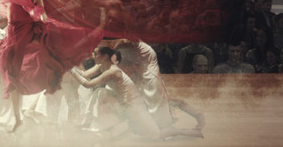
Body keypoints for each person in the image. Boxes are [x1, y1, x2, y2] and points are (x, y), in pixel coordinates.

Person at [70, 46, 203, 139]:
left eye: (96, 54)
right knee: (99, 92)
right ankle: (92, 124)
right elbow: (84, 74)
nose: (93, 56)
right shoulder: (101, 65)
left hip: (134, 107)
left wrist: (68, 69)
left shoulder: (113, 71)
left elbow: (86, 84)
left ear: (105, 57)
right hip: (123, 105)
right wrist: (68, 65)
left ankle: (190, 133)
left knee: (156, 134)